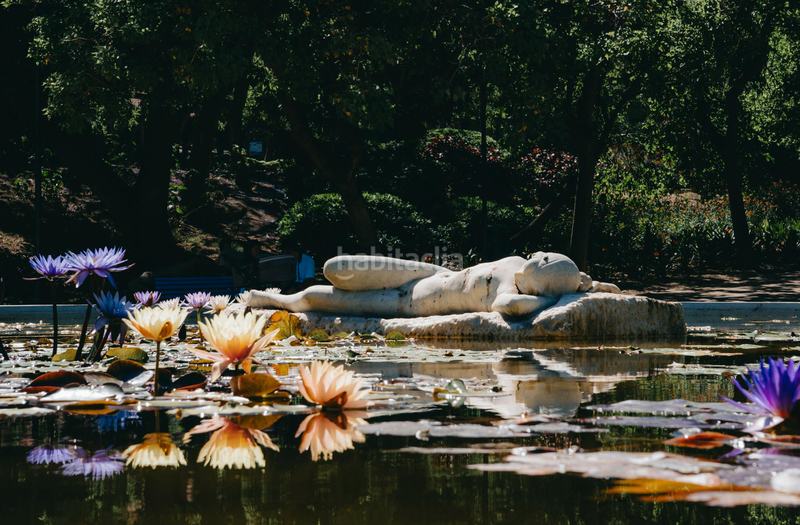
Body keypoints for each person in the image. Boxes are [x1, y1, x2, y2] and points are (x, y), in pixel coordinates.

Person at [248, 252, 621, 318]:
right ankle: (281, 300)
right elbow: (589, 285)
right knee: (335, 267)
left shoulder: (514, 294)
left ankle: (277, 301)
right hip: (429, 275)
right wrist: (591, 285)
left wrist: (551, 302)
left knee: (315, 297)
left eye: (541, 261)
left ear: (538, 286)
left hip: (405, 304)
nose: (536, 255)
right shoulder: (518, 268)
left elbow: (507, 309)